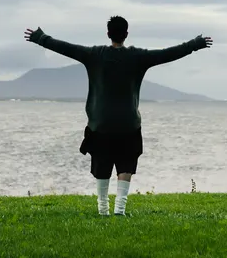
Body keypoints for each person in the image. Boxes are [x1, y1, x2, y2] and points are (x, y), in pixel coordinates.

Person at [24, 17, 213, 216]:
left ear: (108, 34)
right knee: (126, 163)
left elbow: (65, 48)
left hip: (100, 124)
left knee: (102, 164)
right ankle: (119, 210)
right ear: (126, 34)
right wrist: (194, 45)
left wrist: (41, 38)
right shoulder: (137, 57)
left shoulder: (94, 54)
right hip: (128, 124)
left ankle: (103, 208)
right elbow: (168, 54)